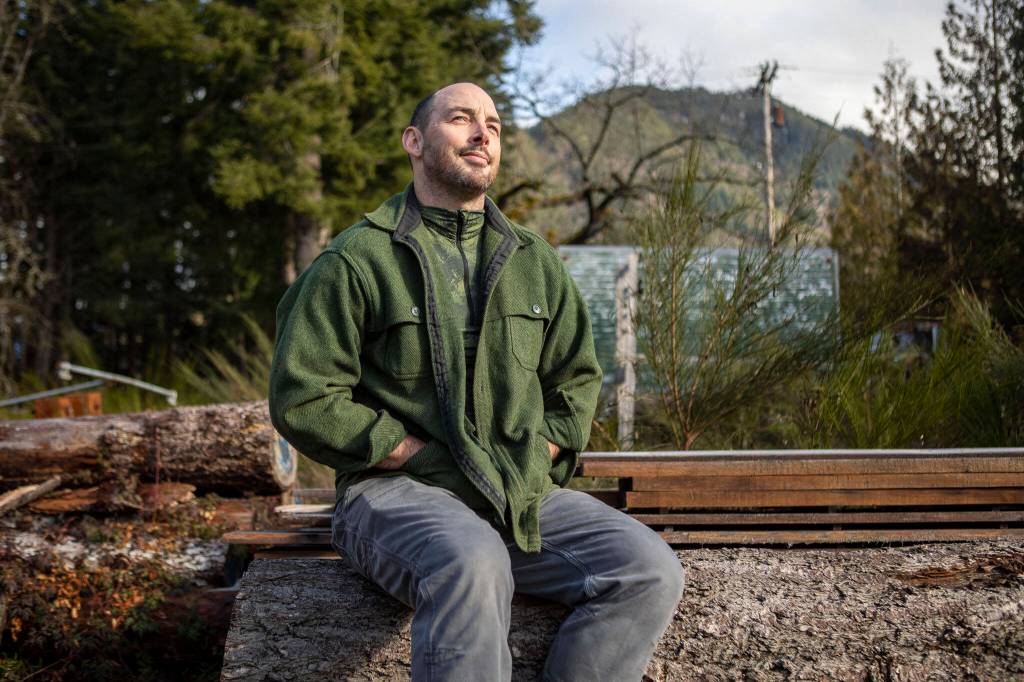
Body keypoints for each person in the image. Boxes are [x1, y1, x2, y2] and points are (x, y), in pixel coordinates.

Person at [268, 82, 684, 681]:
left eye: (492, 123)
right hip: (394, 494)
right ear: (414, 141)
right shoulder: (357, 260)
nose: (482, 132)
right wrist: (405, 451)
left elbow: (576, 379)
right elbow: (303, 395)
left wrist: (538, 452)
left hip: (515, 492)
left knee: (648, 568)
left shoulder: (534, 262)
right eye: (461, 118)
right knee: (472, 558)